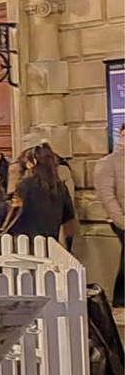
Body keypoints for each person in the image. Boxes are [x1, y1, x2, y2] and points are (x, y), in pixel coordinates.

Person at [6, 143, 75, 241]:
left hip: (26, 244)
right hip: (50, 244)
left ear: (31, 164)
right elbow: (69, 224)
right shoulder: (61, 188)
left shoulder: (26, 185)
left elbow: (12, 217)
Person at [94, 125, 124, 307]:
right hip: (120, 218)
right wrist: (121, 220)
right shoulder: (107, 163)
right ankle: (120, 301)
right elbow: (107, 196)